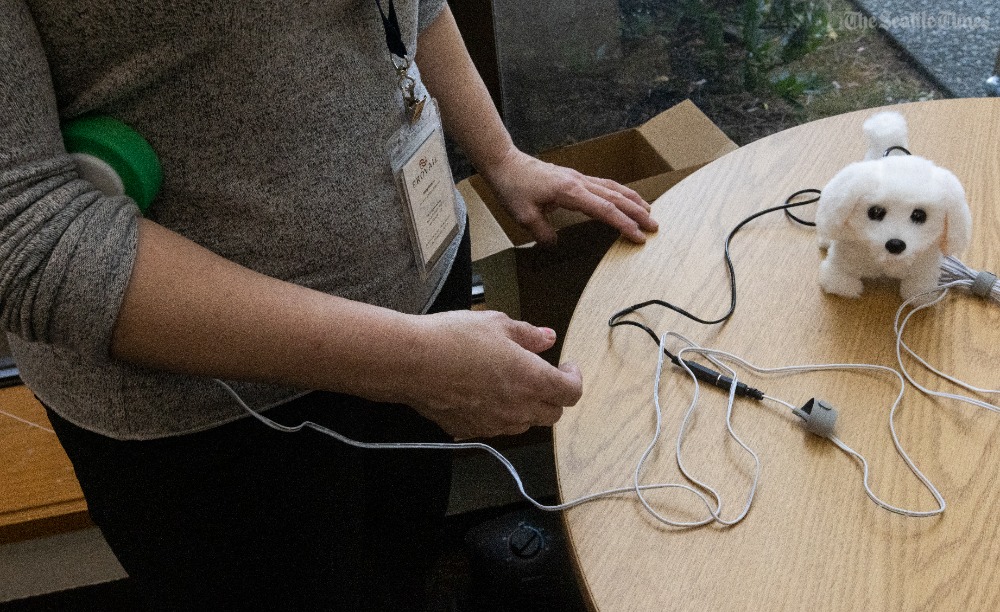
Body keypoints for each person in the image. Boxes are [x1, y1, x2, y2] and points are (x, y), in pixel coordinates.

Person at [0, 0, 658, 609]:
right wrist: (410, 364)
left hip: (428, 316)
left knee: (400, 571)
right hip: (212, 421)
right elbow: (25, 233)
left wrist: (501, 155)